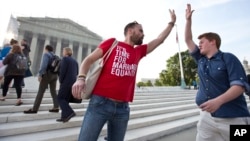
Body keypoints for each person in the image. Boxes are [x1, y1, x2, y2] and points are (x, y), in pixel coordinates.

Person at [71, 9, 176, 141]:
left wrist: (171, 23)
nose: (143, 34)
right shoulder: (112, 43)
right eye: (141, 30)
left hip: (122, 109)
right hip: (100, 104)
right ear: (130, 31)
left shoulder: (138, 52)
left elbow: (159, 40)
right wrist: (81, 79)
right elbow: (89, 60)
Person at [184, 4, 250, 141]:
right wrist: (188, 21)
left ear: (213, 42)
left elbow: (239, 86)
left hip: (234, 118)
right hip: (207, 118)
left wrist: (218, 101)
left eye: (202, 42)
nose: (199, 44)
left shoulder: (228, 58)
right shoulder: (201, 60)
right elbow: (187, 40)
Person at [24, 45, 59, 114]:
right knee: (53, 92)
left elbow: (44, 65)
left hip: (47, 75)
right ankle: (56, 107)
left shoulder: (46, 54)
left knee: (41, 91)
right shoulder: (56, 56)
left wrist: (40, 74)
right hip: (55, 75)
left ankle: (34, 109)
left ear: (46, 49)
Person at [56, 47, 78, 122]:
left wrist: (61, 80)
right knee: (65, 99)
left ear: (66, 52)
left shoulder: (65, 59)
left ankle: (70, 112)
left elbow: (62, 72)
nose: (63, 52)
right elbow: (77, 72)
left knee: (60, 98)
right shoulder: (75, 61)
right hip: (73, 82)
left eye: (63, 51)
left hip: (66, 82)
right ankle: (64, 117)